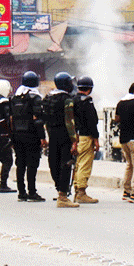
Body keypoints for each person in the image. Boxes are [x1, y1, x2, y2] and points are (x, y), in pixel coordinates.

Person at [10, 72, 48, 203]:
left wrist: (12, 137)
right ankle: (32, 192)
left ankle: (21, 193)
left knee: (20, 164)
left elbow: (11, 119)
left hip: (17, 135)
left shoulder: (15, 98)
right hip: (31, 135)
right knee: (32, 165)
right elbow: (37, 120)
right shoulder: (35, 98)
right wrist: (42, 137)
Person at [42, 72, 78, 206]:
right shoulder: (67, 99)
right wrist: (74, 140)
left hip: (52, 134)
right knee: (66, 164)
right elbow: (69, 122)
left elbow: (44, 119)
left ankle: (59, 190)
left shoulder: (47, 98)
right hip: (64, 135)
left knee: (54, 163)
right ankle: (63, 197)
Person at [72, 76, 100, 204]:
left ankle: (77, 190)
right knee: (85, 164)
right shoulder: (87, 101)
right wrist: (96, 139)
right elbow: (92, 122)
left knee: (78, 164)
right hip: (85, 136)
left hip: (75, 137)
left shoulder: (73, 100)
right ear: (89, 89)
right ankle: (81, 192)